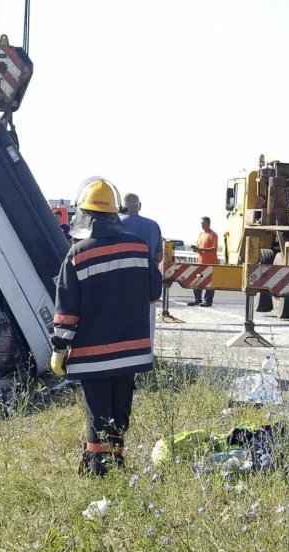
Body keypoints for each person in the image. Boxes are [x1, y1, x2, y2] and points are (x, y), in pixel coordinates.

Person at [51, 177, 163, 477]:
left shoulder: (76, 256)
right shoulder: (139, 248)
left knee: (97, 413)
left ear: (84, 216)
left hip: (92, 354)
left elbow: (66, 313)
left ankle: (98, 471)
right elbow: (155, 293)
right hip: (131, 353)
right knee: (119, 411)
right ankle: (117, 463)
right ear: (115, 213)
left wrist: (59, 350)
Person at [119, 192, 164, 343]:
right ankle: (146, 357)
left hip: (121, 278)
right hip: (146, 280)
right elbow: (159, 257)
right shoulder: (153, 225)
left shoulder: (115, 224)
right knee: (146, 325)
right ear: (140, 206)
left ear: (122, 207)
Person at [187, 216, 218, 307]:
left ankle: (208, 301)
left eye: (203, 223)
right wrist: (196, 249)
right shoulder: (201, 234)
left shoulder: (213, 235)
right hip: (200, 262)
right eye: (201, 223)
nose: (202, 225)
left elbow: (214, 248)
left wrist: (202, 249)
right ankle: (197, 299)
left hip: (210, 263)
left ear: (208, 224)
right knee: (197, 281)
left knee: (209, 283)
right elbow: (199, 247)